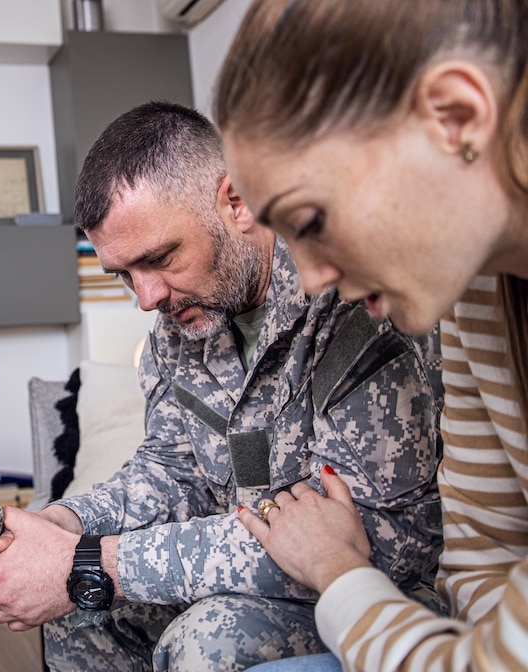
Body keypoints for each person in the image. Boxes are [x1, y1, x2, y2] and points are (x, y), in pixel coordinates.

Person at [0, 102, 443, 671]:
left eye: (159, 258)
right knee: (82, 613)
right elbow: (172, 469)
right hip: (239, 571)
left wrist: (92, 563)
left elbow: (389, 544)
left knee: (205, 640)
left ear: (235, 203)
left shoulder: (351, 306)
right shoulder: (177, 331)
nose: (146, 298)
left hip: (370, 590)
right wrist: (72, 523)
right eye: (123, 275)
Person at [212, 2, 528, 671]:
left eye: (312, 218)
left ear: (456, 118)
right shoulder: (474, 280)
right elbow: (481, 548)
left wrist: (334, 567)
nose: (312, 279)